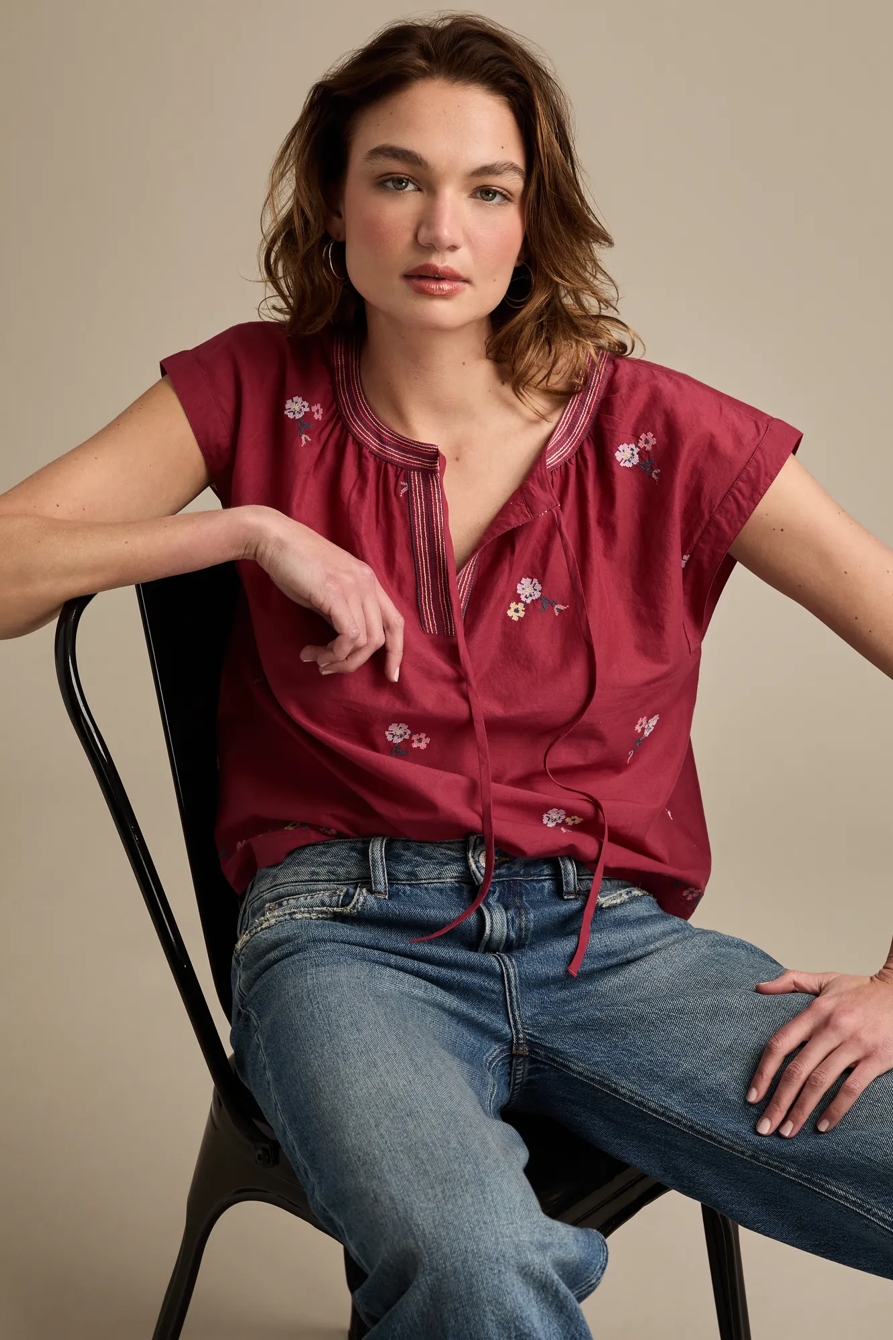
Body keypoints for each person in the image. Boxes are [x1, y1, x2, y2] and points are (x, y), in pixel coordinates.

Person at [1, 12, 891, 1337]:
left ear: (533, 219)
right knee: (473, 1262)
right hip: (345, 940)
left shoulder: (661, 430)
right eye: (398, 178)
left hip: (611, 943)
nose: (439, 230)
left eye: (487, 190)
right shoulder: (251, 389)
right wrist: (247, 532)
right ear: (333, 201)